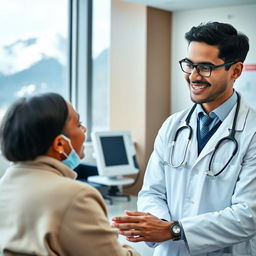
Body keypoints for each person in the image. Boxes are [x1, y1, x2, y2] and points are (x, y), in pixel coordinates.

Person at [112, 21, 256, 255]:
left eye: (206, 67)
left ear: (236, 71)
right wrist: (157, 225)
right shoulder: (173, 125)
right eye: (189, 65)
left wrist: (174, 230)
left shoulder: (252, 132)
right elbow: (152, 192)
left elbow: (248, 215)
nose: (193, 76)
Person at [0, 93, 140, 256]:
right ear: (60, 144)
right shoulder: (76, 196)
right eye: (79, 124)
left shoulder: (4, 186)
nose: (84, 129)